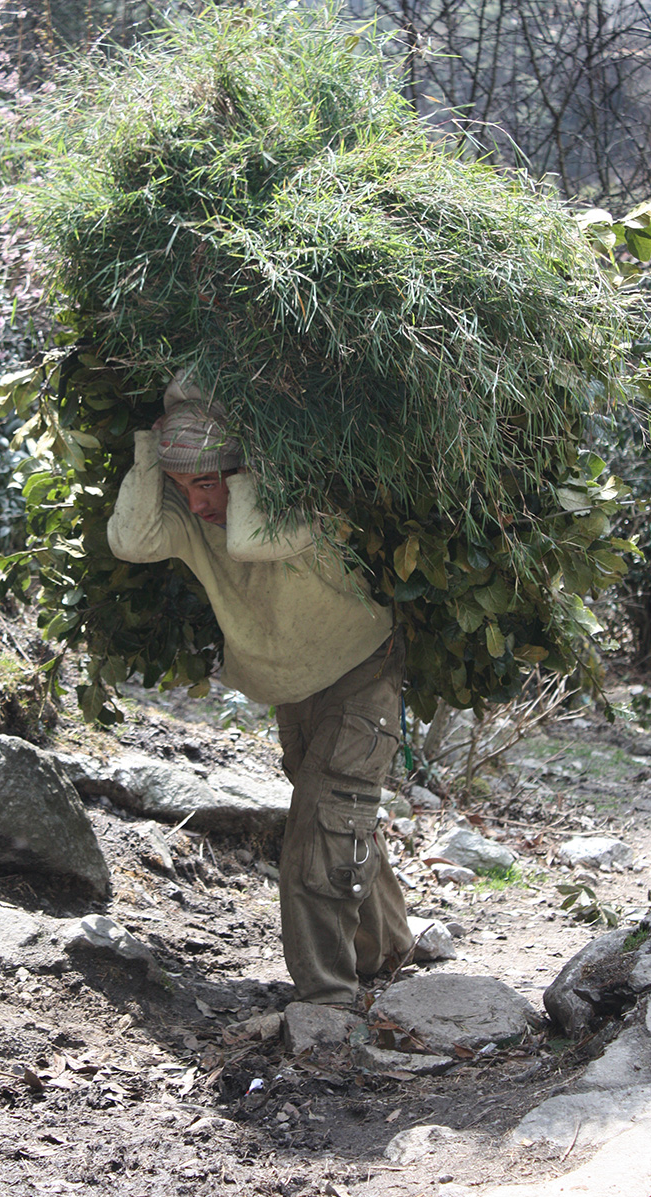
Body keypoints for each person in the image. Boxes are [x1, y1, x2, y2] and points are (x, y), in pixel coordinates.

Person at [107, 371, 414, 1005]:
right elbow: (132, 540)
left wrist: (244, 451)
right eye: (179, 486)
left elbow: (252, 539)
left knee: (321, 828)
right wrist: (152, 451)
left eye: (205, 483)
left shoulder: (301, 501)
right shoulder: (194, 521)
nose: (195, 505)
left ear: (247, 469)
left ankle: (328, 998)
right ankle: (389, 950)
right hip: (295, 687)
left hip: (362, 669)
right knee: (340, 815)